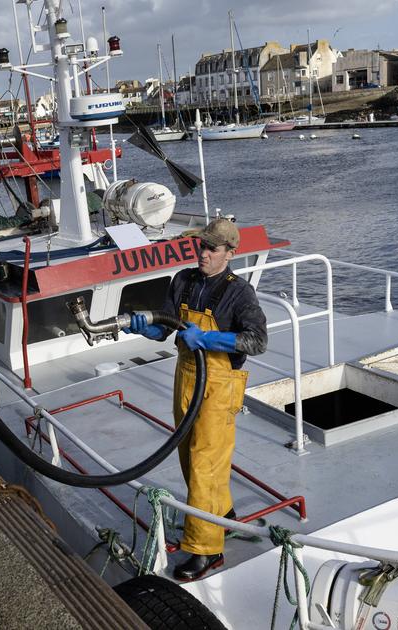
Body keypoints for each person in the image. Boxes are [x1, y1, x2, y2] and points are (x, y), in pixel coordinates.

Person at [124, 218, 268, 581]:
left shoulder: (240, 293)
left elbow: (257, 341)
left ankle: (206, 550)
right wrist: (143, 326)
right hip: (186, 379)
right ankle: (224, 516)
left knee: (206, 463)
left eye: (211, 249)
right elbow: (166, 328)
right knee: (190, 457)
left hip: (220, 386)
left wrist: (210, 340)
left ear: (230, 254)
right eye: (200, 247)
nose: (202, 254)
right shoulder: (183, 281)